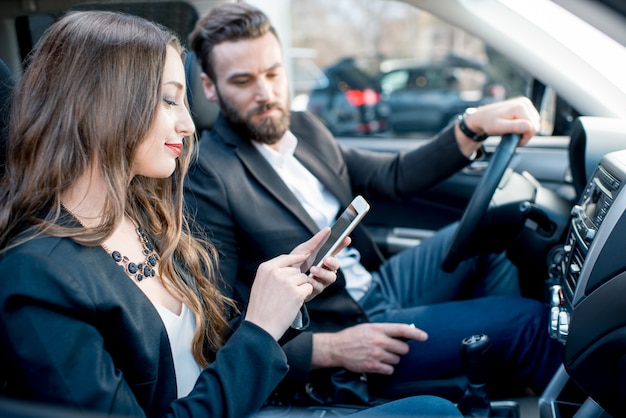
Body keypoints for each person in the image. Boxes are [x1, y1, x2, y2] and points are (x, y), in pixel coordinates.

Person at [0, 9, 467, 418]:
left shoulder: (146, 215)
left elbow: (214, 353)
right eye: (167, 100)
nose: (186, 123)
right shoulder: (37, 277)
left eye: (183, 100)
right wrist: (262, 327)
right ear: (100, 105)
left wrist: (286, 301)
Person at [183, 2, 563, 406]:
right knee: (531, 323)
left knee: (494, 231)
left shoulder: (304, 127)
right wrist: (331, 348)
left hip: (376, 286)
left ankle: (495, 371)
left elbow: (392, 176)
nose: (266, 93)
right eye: (243, 81)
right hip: (346, 327)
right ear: (210, 87)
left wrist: (472, 126)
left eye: (274, 74)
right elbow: (216, 324)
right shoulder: (209, 174)